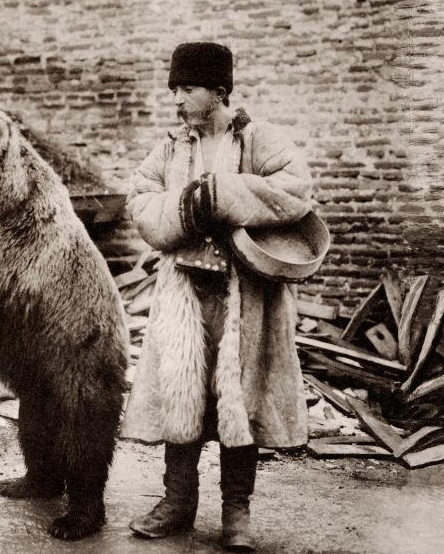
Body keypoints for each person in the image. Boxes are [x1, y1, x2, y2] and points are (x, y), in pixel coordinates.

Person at [122, 42, 313, 552]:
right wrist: (185, 210)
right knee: (180, 394)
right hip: (184, 293)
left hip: (243, 294)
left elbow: (296, 189)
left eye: (187, 89)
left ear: (219, 91)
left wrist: (223, 194)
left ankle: (236, 513)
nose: (178, 100)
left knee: (240, 401)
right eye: (175, 89)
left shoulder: (260, 138)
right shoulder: (169, 147)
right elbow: (139, 200)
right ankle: (177, 503)